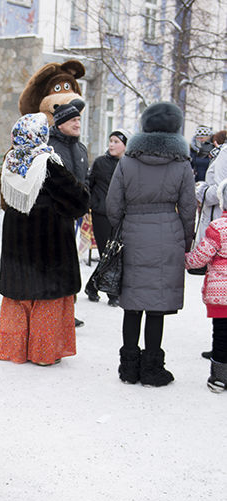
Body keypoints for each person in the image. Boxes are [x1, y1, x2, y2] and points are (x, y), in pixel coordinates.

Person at [106, 101, 196, 387]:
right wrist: (185, 237)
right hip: (168, 235)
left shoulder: (127, 161)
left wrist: (122, 225)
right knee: (157, 306)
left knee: (132, 304)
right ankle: (153, 369)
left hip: (132, 233)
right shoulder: (182, 164)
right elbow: (189, 207)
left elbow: (113, 204)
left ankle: (129, 368)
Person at [0, 113, 89, 366]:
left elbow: (5, 202)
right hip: (50, 243)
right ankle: (43, 352)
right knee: (47, 298)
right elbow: (78, 201)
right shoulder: (48, 163)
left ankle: (14, 349)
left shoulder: (10, 161)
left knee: (18, 297)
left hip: (17, 241)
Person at [48, 101, 89, 327]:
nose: (77, 123)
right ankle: (53, 312)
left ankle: (67, 311)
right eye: (73, 120)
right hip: (55, 215)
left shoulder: (80, 148)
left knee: (70, 265)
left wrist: (85, 199)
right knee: (56, 265)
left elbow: (86, 178)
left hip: (75, 214)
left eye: (79, 120)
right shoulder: (50, 147)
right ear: (61, 124)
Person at [185, 178, 227, 392]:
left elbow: (201, 257)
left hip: (221, 294)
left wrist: (184, 260)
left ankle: (219, 378)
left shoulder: (217, 227)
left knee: (221, 336)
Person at [84, 129, 131, 307]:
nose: (111, 144)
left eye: (116, 142)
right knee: (106, 252)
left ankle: (91, 285)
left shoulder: (129, 165)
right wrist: (93, 204)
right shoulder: (100, 162)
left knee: (116, 254)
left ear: (125, 145)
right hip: (102, 215)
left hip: (121, 216)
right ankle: (113, 293)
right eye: (110, 141)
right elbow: (89, 183)